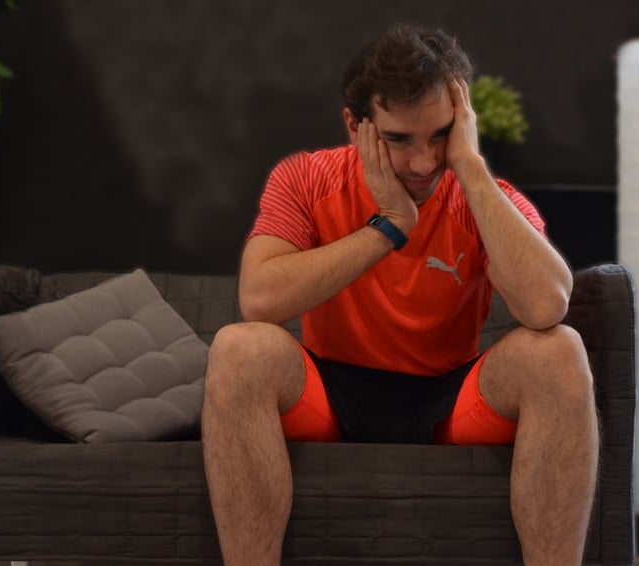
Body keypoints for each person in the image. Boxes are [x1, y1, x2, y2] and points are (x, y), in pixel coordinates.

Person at [201, 23, 598, 566]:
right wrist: (388, 226)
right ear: (355, 125)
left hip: (447, 399)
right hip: (333, 394)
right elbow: (260, 300)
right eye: (399, 139)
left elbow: (547, 305)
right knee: (240, 349)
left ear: (463, 123)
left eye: (440, 135)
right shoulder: (306, 179)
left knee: (559, 351)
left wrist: (471, 167)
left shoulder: (483, 194)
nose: (424, 162)